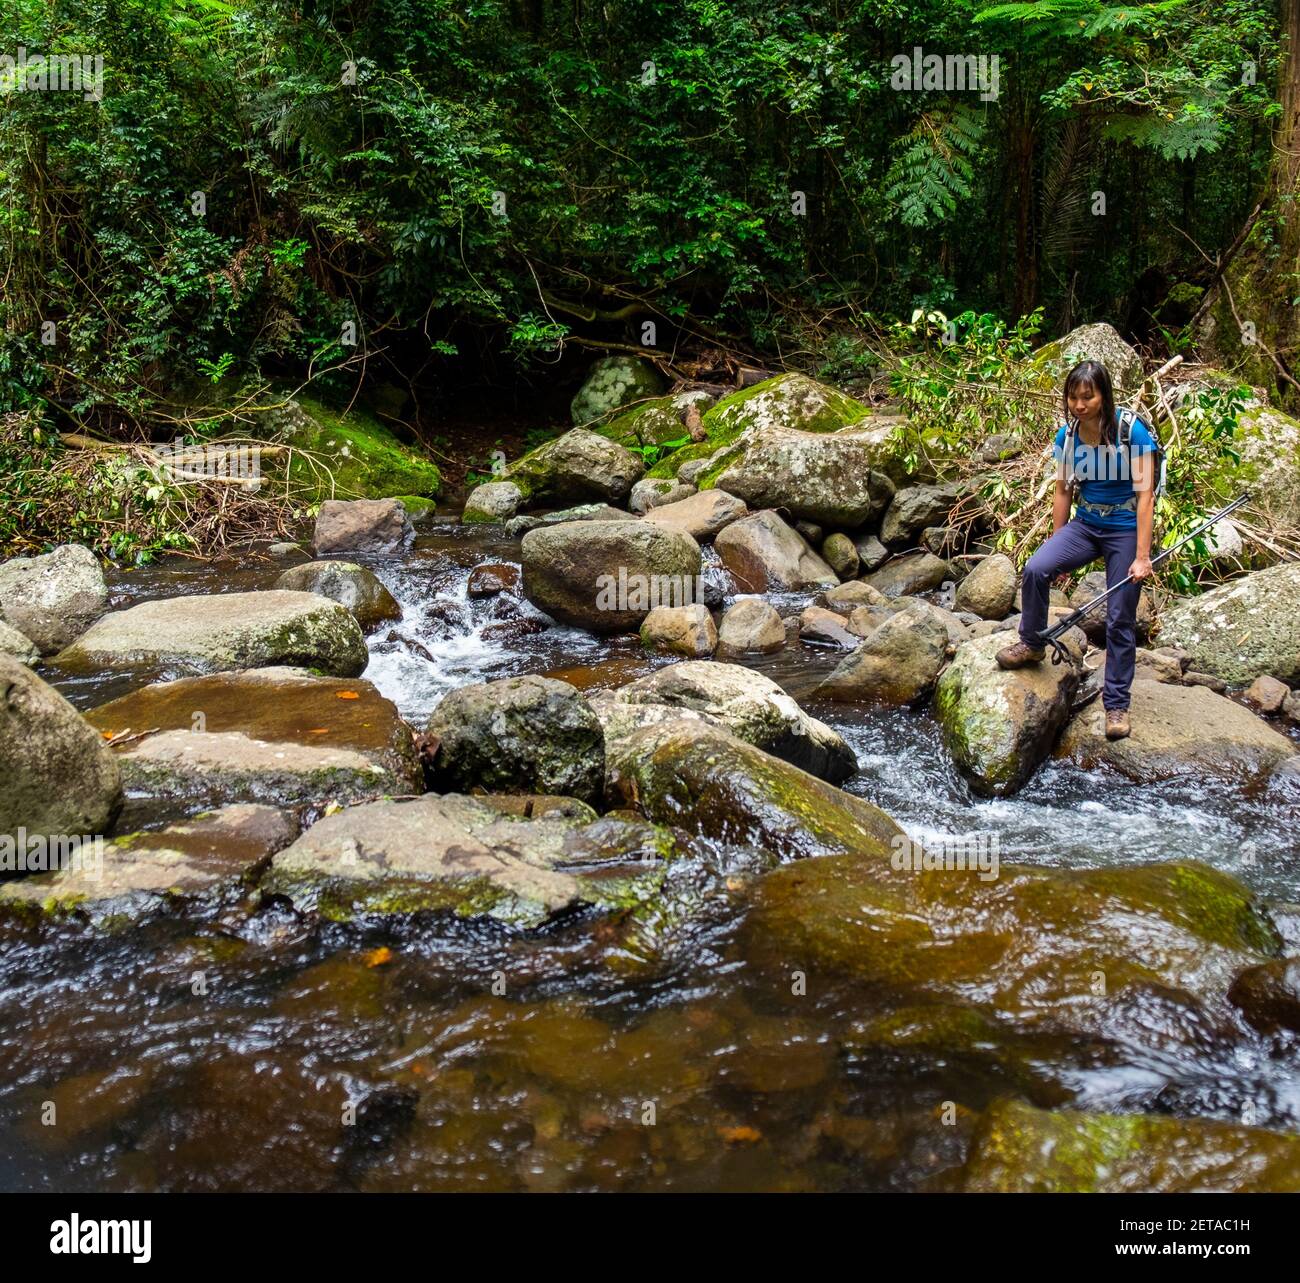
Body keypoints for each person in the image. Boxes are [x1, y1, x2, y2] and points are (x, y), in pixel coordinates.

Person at [995, 359, 1155, 740]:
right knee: (1036, 568)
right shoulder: (1067, 437)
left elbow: (1146, 496)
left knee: (1119, 616)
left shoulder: (1131, 434)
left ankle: (1116, 705)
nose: (1079, 404)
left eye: (1088, 396)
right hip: (1085, 525)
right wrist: (1057, 544)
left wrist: (1143, 556)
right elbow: (1063, 491)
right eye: (1073, 396)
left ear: (1103, 396)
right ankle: (1031, 643)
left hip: (1125, 528)